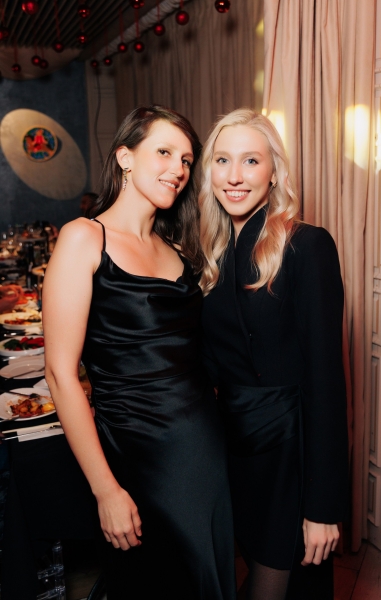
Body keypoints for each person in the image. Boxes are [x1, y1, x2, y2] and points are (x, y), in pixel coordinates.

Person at [42, 106, 236, 600]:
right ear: (125, 158)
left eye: (187, 160)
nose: (178, 168)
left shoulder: (179, 249)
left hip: (205, 452)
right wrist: (105, 489)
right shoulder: (84, 238)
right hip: (137, 459)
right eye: (164, 152)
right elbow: (61, 375)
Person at [199, 109, 349, 600]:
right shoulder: (212, 254)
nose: (234, 176)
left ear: (274, 172)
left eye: (250, 160)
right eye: (222, 160)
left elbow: (326, 383)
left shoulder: (307, 246)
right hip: (235, 454)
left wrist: (323, 506)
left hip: (289, 453)